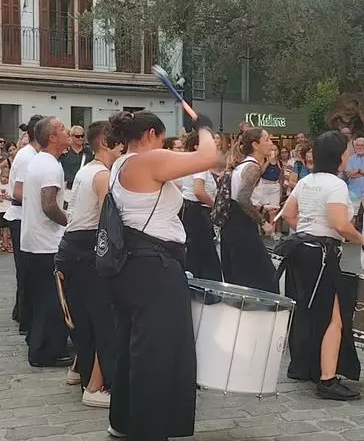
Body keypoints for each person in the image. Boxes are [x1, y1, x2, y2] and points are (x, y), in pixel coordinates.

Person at [104, 110, 216, 440]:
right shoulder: (148, 160)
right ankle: (149, 430)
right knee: (157, 352)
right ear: (151, 134)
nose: (165, 146)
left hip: (133, 264)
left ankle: (124, 420)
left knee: (133, 345)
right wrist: (204, 127)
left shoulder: (120, 163)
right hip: (154, 267)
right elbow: (208, 157)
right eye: (163, 139)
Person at [279, 130, 364, 400]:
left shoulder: (306, 181)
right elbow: (340, 224)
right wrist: (363, 240)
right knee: (335, 316)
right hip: (322, 254)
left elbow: (289, 214)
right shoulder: (336, 185)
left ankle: (303, 366)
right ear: (338, 156)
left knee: (307, 311)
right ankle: (327, 379)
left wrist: (307, 228)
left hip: (301, 250)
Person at [56, 121, 122, 409]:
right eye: (119, 142)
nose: (123, 147)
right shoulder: (102, 175)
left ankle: (78, 370)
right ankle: (95, 386)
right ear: (106, 143)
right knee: (104, 321)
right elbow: (112, 218)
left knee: (84, 318)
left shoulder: (86, 169)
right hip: (87, 250)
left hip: (71, 247)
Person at [20, 116, 72, 367]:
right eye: (62, 128)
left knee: (40, 297)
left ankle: (37, 341)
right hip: (47, 242)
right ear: (52, 137)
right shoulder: (51, 166)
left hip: (33, 240)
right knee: (53, 300)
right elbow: (49, 205)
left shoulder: (39, 161)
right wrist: (70, 222)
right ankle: (46, 351)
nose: (67, 131)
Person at [220, 127, 278, 293]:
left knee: (239, 273)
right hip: (241, 226)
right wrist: (263, 222)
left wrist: (262, 207)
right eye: (267, 140)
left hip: (232, 223)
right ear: (255, 145)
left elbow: (239, 198)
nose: (271, 144)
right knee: (262, 276)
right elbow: (243, 198)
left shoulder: (242, 165)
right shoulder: (253, 167)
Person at [5, 114, 42, 331]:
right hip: (21, 216)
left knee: (27, 269)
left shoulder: (34, 154)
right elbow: (18, 192)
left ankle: (21, 310)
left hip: (26, 215)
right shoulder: (27, 156)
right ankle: (25, 315)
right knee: (26, 269)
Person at [181, 131, 224, 281]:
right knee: (203, 251)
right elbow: (198, 191)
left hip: (190, 209)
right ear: (197, 146)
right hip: (197, 211)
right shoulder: (200, 165)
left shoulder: (191, 163)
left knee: (196, 250)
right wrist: (215, 205)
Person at [59, 125, 94, 205]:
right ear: (71, 136)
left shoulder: (88, 152)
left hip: (84, 190)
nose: (80, 138)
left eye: (82, 136)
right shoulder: (64, 153)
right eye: (77, 136)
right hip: (68, 190)